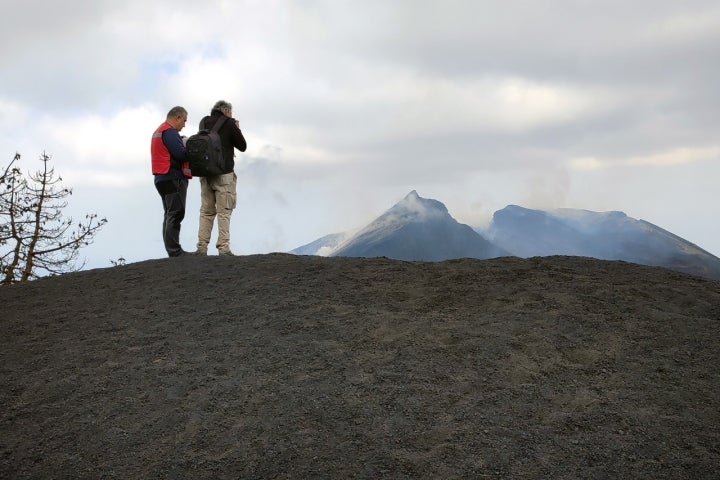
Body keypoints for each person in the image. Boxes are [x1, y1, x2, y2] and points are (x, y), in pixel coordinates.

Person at [194, 100, 247, 256]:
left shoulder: (203, 122)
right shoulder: (229, 123)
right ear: (226, 111)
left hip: (205, 174)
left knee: (206, 211)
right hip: (224, 175)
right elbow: (242, 146)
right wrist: (237, 128)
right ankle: (223, 248)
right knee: (224, 211)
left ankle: (201, 247)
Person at [151, 106, 191, 257]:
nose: (184, 125)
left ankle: (172, 249)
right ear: (178, 117)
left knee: (169, 213)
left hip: (161, 177)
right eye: (184, 121)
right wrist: (189, 148)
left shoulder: (159, 131)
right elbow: (180, 154)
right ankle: (174, 251)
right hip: (172, 176)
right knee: (176, 212)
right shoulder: (170, 132)